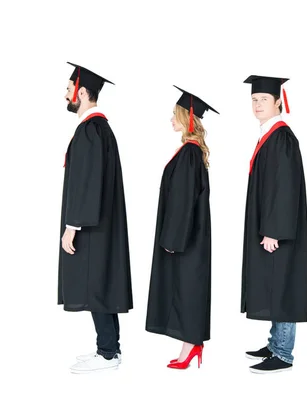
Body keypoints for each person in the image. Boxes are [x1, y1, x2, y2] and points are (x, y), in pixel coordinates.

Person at [58, 61, 133, 374]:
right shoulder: (99, 128)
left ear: (82, 92)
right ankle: (109, 348)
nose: (65, 96)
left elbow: (86, 184)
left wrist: (71, 227)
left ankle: (107, 353)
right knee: (101, 285)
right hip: (101, 224)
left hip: (90, 225)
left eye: (68, 90)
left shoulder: (91, 130)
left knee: (95, 286)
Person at [240, 75, 307, 374]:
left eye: (263, 100)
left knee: (283, 286)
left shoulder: (281, 137)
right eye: (254, 99)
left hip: (279, 230)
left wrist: (273, 230)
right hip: (272, 226)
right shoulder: (268, 134)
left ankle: (283, 353)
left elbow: (284, 187)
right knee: (274, 282)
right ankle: (274, 342)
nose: (257, 104)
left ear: (278, 102)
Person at [145, 85, 217, 370]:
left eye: (174, 115)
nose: (170, 120)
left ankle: (191, 345)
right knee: (187, 287)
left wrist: (173, 238)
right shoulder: (191, 152)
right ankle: (191, 345)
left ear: (188, 118)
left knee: (187, 288)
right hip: (191, 234)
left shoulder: (189, 153)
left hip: (185, 237)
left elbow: (183, 200)